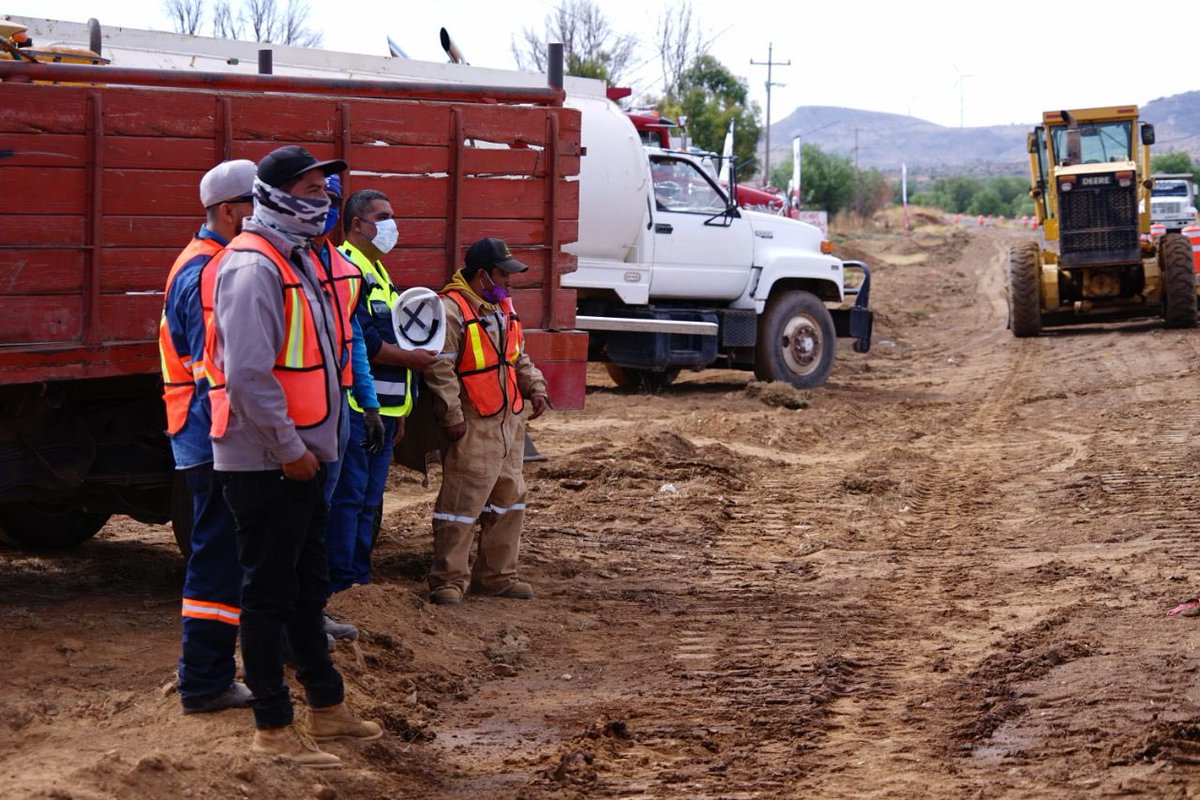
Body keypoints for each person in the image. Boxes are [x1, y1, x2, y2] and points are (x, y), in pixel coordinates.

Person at [204, 145, 381, 768]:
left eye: (324, 188)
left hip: (305, 455)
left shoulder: (295, 256)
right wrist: (290, 451)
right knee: (269, 595)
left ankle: (328, 710)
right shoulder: (253, 267)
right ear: (275, 194)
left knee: (306, 591)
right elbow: (248, 376)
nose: (322, 199)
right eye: (310, 188)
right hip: (269, 461)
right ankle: (273, 730)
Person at [159, 159, 255, 715]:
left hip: (203, 431)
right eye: (254, 207)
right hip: (209, 436)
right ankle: (205, 680)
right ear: (228, 211)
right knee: (217, 558)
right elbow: (210, 372)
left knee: (220, 553)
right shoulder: (206, 271)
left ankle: (207, 674)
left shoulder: (210, 261)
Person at [423, 237, 550, 606]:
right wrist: (452, 416)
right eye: (503, 274)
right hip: (473, 422)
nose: (510, 281)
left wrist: (535, 388)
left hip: (508, 420)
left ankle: (497, 577)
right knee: (462, 503)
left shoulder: (501, 307)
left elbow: (517, 356)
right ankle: (447, 580)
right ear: (482, 275)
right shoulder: (451, 310)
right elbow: (440, 368)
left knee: (510, 499)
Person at [325, 189, 437, 597]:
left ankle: (359, 579)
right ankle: (343, 583)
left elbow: (394, 338)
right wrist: (414, 364)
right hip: (356, 408)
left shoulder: (379, 272)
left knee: (369, 503)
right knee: (349, 500)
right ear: (357, 224)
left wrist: (400, 410)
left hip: (385, 410)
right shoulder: (347, 268)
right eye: (383, 216)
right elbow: (366, 343)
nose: (392, 225)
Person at [311, 176, 385, 642]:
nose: (323, 208)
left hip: (335, 409)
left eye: (331, 200)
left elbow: (352, 337)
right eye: (314, 197)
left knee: (319, 514)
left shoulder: (342, 270)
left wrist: (371, 404)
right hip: (290, 415)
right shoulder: (269, 263)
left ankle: (311, 610)